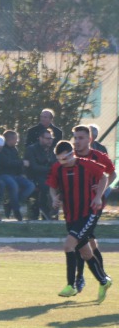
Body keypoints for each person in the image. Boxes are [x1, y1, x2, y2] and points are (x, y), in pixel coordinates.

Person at [47, 140, 111, 302]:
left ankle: (71, 285)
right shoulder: (57, 168)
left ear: (72, 154)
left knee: (69, 245)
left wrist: (98, 197)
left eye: (66, 158)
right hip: (70, 216)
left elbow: (104, 177)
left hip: (88, 213)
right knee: (86, 252)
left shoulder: (86, 164)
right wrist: (54, 198)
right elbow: (52, 186)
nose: (64, 162)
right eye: (60, 159)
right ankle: (104, 281)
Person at [71, 125, 116, 293]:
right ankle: (102, 277)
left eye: (80, 137)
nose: (77, 141)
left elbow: (112, 174)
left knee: (79, 239)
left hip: (94, 205)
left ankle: (80, 278)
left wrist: (101, 189)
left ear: (90, 140)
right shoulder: (71, 157)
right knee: (89, 241)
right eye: (75, 137)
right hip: (76, 207)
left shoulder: (99, 156)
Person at [0, 130, 35, 221]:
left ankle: (12, 204)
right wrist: (22, 163)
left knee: (30, 185)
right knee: (13, 185)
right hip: (3, 174)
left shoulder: (14, 149)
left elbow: (17, 163)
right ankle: (16, 211)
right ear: (10, 139)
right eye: (16, 139)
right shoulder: (1, 149)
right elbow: (6, 163)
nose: (17, 141)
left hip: (15, 175)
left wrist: (22, 173)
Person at [24, 127, 56, 220]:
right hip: (34, 177)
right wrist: (50, 169)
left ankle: (52, 213)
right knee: (46, 187)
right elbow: (34, 167)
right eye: (47, 138)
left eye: (51, 139)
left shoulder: (52, 151)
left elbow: (55, 164)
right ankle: (47, 213)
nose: (50, 141)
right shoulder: (31, 149)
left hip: (47, 177)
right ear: (40, 138)